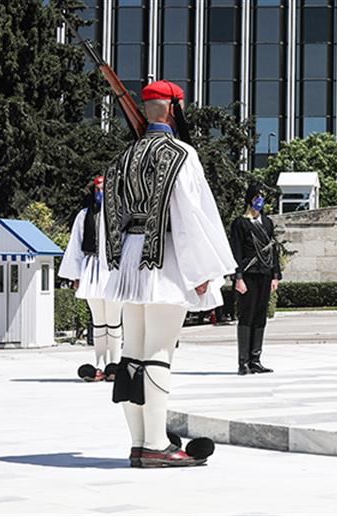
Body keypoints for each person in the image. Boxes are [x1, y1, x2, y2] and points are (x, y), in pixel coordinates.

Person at [101, 80, 235, 468]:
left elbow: (111, 214)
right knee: (160, 350)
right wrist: (203, 268)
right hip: (165, 257)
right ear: (175, 109)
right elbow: (191, 213)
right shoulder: (181, 154)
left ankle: (138, 443)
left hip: (130, 259)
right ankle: (157, 444)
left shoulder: (124, 156)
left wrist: (118, 259)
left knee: (132, 352)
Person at [59, 175, 124, 382]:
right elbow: (75, 246)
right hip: (92, 268)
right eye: (98, 189)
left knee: (113, 320)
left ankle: (115, 363)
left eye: (104, 189)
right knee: (98, 321)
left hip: (113, 269)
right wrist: (76, 275)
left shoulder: (122, 214)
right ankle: (99, 363)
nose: (101, 193)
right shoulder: (84, 215)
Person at [229, 183, 280, 375]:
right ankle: (243, 362)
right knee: (246, 315)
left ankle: (255, 360)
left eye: (262, 197)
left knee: (260, 316)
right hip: (248, 275)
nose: (260, 201)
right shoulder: (240, 223)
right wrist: (238, 277)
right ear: (250, 199)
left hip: (264, 274)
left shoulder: (267, 222)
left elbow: (272, 250)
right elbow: (236, 251)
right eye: (257, 197)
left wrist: (276, 275)